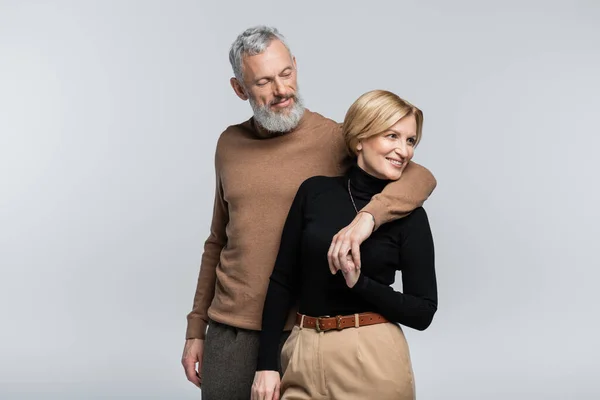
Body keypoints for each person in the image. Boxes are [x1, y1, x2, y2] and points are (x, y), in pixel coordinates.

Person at [181, 26, 437, 400]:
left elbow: (420, 177)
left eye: (286, 74)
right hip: (230, 329)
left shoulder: (336, 138)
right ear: (240, 88)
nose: (281, 90)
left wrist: (368, 217)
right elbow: (217, 239)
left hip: (303, 329)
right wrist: (195, 328)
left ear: (296, 67)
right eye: (264, 81)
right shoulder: (229, 144)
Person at [251, 89, 437, 400]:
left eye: (410, 141)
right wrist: (266, 364)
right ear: (360, 139)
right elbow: (282, 281)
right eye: (392, 136)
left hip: (373, 355)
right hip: (304, 348)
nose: (404, 150)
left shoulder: (410, 216)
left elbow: (423, 312)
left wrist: (360, 283)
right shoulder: (315, 193)